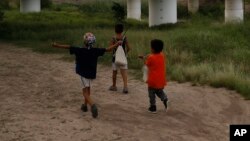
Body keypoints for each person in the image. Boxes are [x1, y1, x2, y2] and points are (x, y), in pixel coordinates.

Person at [52, 32, 121, 118]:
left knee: (85, 93)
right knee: (88, 89)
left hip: (83, 73)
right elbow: (108, 49)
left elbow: (68, 47)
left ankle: (92, 105)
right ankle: (85, 106)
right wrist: (117, 44)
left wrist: (57, 45)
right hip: (91, 74)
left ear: (85, 41)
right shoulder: (96, 51)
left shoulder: (79, 50)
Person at [139, 39, 168, 113]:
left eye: (151, 47)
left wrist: (143, 59)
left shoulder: (151, 58)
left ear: (153, 49)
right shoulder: (162, 55)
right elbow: (153, 55)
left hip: (153, 80)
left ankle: (153, 107)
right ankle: (165, 99)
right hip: (161, 80)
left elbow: (146, 64)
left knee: (151, 93)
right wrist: (147, 56)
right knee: (159, 91)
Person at [108, 23, 131, 94]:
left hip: (115, 58)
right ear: (122, 30)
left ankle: (114, 86)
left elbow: (110, 49)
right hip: (123, 58)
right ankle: (125, 87)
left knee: (114, 72)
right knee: (124, 73)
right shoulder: (125, 38)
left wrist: (115, 45)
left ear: (115, 30)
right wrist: (125, 53)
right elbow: (129, 48)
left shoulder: (113, 38)